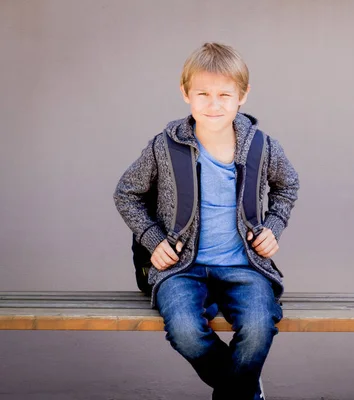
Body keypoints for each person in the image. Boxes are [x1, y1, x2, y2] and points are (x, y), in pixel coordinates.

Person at [113, 42, 299, 400]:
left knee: (260, 326)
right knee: (184, 330)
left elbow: (287, 186)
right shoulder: (164, 147)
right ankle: (243, 388)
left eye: (225, 95)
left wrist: (273, 227)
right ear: (186, 93)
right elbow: (127, 193)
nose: (214, 104)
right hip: (182, 268)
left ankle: (236, 390)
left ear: (243, 96)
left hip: (244, 266)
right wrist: (154, 240)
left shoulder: (262, 147)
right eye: (203, 94)